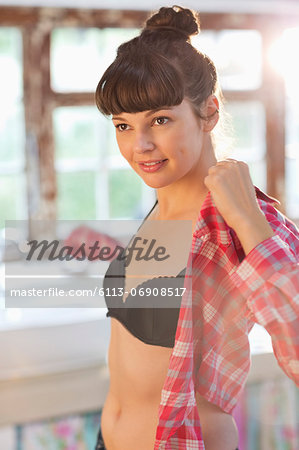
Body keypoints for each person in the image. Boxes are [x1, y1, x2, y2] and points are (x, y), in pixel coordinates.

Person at [94, 5, 299, 450]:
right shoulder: (156, 210)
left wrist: (250, 221)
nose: (139, 145)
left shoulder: (235, 221)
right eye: (123, 126)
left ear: (209, 112)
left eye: (160, 120)